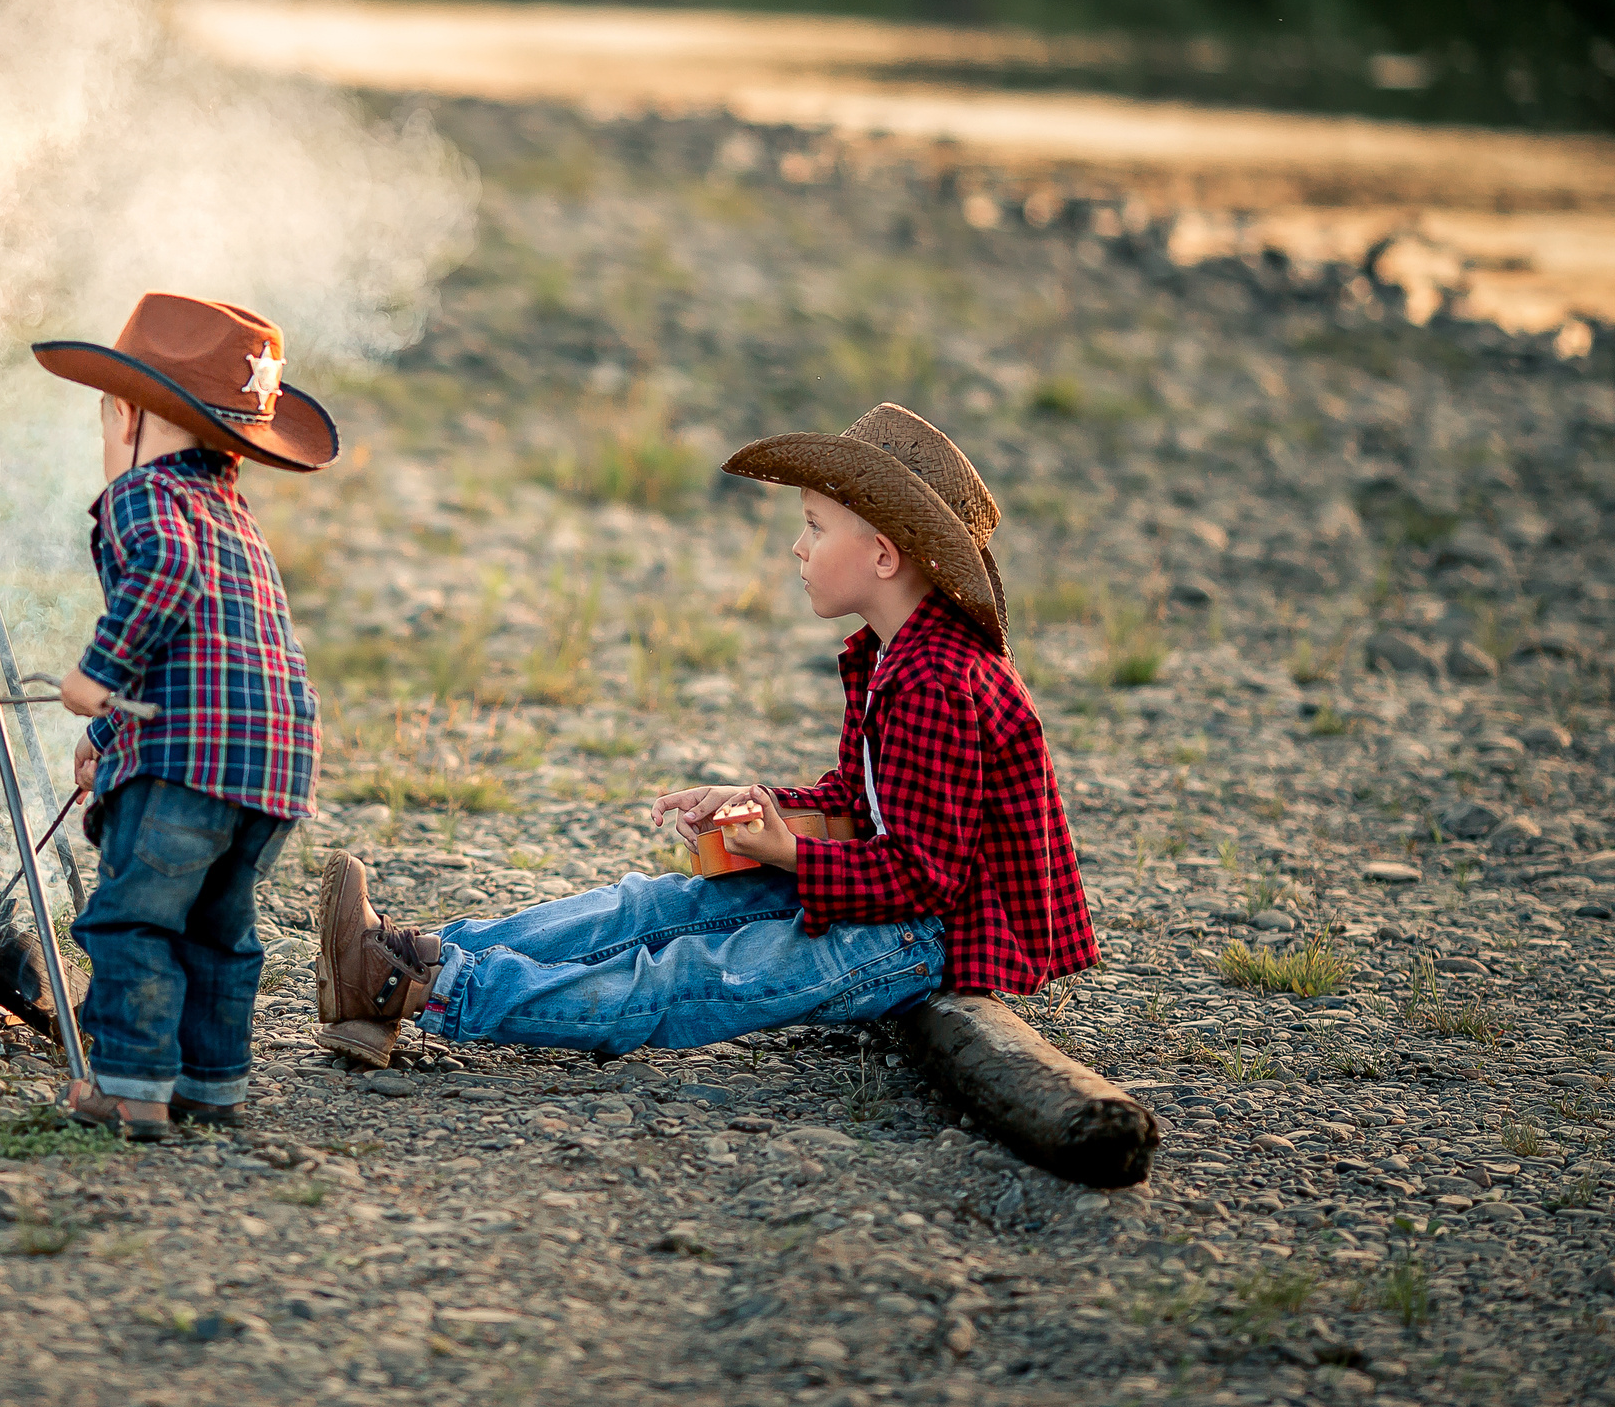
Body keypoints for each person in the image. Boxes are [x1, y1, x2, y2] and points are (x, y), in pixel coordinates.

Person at [312, 403, 1096, 1067]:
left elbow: (925, 878)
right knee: (652, 907)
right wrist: (760, 808)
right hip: (885, 899)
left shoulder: (936, 682)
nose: (798, 546)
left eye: (815, 527)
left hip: (926, 939)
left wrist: (791, 855)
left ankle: (427, 988)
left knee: (689, 974)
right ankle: (409, 954)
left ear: (883, 555)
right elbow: (865, 802)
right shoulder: (891, 652)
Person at [34, 293, 333, 1140]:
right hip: (273, 765)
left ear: (128, 416)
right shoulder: (232, 513)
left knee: (134, 917)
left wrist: (94, 676)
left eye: (105, 421)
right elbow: (205, 658)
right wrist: (105, 737)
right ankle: (212, 1084)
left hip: (188, 766)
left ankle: (130, 1088)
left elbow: (163, 575)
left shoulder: (143, 496)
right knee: (219, 929)